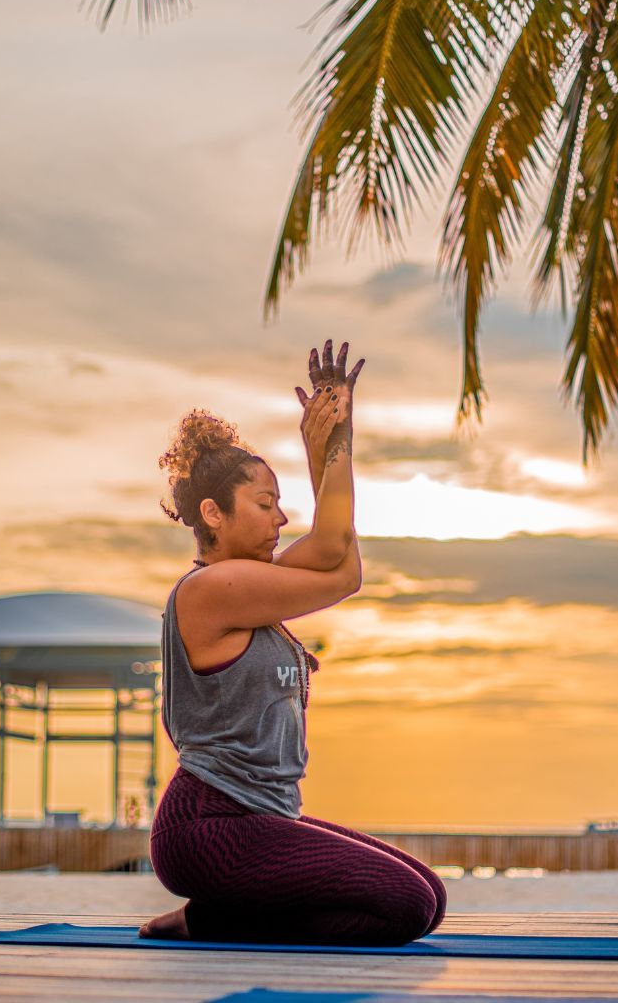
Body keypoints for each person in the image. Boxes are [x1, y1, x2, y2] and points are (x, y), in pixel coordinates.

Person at [142, 339, 447, 946]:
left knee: (427, 892)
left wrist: (334, 445)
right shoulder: (212, 589)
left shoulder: (254, 588)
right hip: (210, 824)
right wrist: (327, 449)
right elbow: (335, 560)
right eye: (266, 503)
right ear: (213, 513)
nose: (281, 519)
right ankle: (211, 918)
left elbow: (345, 565)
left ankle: (216, 919)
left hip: (258, 817)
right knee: (407, 904)